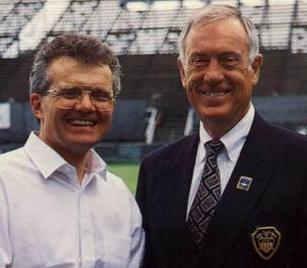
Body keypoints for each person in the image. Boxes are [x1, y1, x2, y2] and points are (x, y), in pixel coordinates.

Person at [136, 4, 307, 268]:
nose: (213, 75)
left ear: (255, 68)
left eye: (228, 59)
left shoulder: (299, 160)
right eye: (199, 61)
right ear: (183, 72)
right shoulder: (156, 169)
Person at [0, 33, 144, 267]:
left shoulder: (119, 196)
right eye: (70, 93)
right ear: (37, 106)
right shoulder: (4, 184)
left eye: (100, 96)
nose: (86, 106)